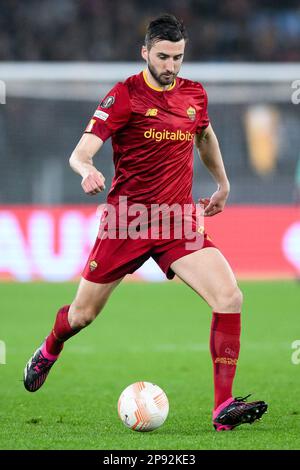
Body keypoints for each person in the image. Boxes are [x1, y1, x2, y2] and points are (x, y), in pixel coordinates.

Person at [23, 14, 267, 431]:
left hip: (177, 221)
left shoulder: (194, 94)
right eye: (163, 57)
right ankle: (49, 348)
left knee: (230, 298)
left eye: (178, 57)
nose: (171, 66)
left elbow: (204, 136)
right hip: (127, 222)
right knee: (81, 316)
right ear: (145, 52)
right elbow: (81, 151)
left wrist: (222, 184)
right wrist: (86, 170)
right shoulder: (124, 95)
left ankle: (223, 408)